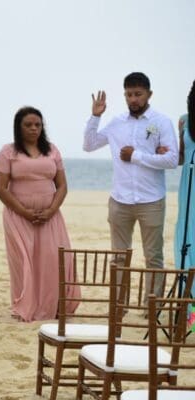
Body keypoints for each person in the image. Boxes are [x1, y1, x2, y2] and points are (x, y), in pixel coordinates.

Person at [83, 72, 178, 296]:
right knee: (118, 256)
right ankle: (119, 305)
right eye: (128, 95)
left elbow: (172, 159)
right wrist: (95, 117)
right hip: (120, 200)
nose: (133, 99)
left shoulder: (161, 122)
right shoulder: (117, 123)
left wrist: (137, 156)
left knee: (153, 256)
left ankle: (151, 306)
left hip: (151, 200)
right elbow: (89, 145)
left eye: (138, 94)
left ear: (149, 94)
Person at [0, 107, 79, 321]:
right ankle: (26, 306)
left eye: (37, 125)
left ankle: (53, 306)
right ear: (19, 127)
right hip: (18, 216)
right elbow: (0, 189)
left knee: (53, 260)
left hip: (50, 217)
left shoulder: (52, 150)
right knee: (24, 261)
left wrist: (51, 210)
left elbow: (62, 186)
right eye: (28, 125)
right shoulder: (8, 152)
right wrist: (25, 212)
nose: (34, 129)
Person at [174, 81, 195, 286]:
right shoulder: (184, 121)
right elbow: (181, 157)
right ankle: (189, 309)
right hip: (189, 186)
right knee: (188, 236)